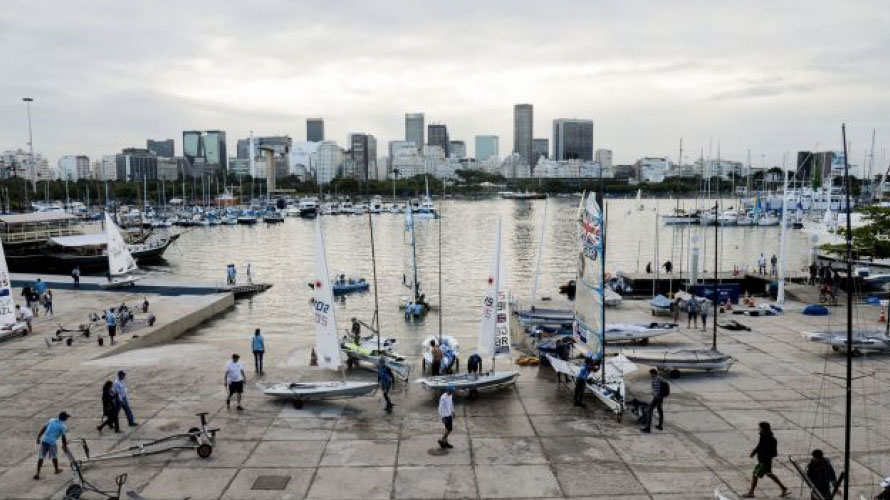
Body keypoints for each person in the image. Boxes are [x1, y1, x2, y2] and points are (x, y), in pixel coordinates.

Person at [741, 421, 790, 498]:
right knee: (769, 474)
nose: (759, 429)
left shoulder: (772, 439)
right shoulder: (762, 436)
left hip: (765, 462)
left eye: (760, 428)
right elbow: (759, 446)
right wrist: (754, 452)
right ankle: (783, 488)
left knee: (755, 474)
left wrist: (766, 455)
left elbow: (774, 453)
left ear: (764, 429)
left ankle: (751, 492)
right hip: (761, 460)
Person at [34, 411, 69, 480]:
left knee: (41, 457)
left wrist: (38, 437)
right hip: (52, 442)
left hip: (44, 440)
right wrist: (65, 446)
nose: (67, 418)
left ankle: (37, 473)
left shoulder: (52, 420)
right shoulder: (63, 426)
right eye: (67, 417)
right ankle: (56, 470)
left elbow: (44, 428)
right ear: (64, 418)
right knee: (54, 456)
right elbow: (63, 438)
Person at [641, 368, 665, 433]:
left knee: (649, 411)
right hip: (661, 397)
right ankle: (660, 425)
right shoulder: (660, 378)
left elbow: (657, 389)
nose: (650, 375)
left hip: (657, 398)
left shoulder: (656, 379)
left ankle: (648, 428)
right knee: (660, 411)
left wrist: (654, 395)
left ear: (653, 373)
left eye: (651, 374)